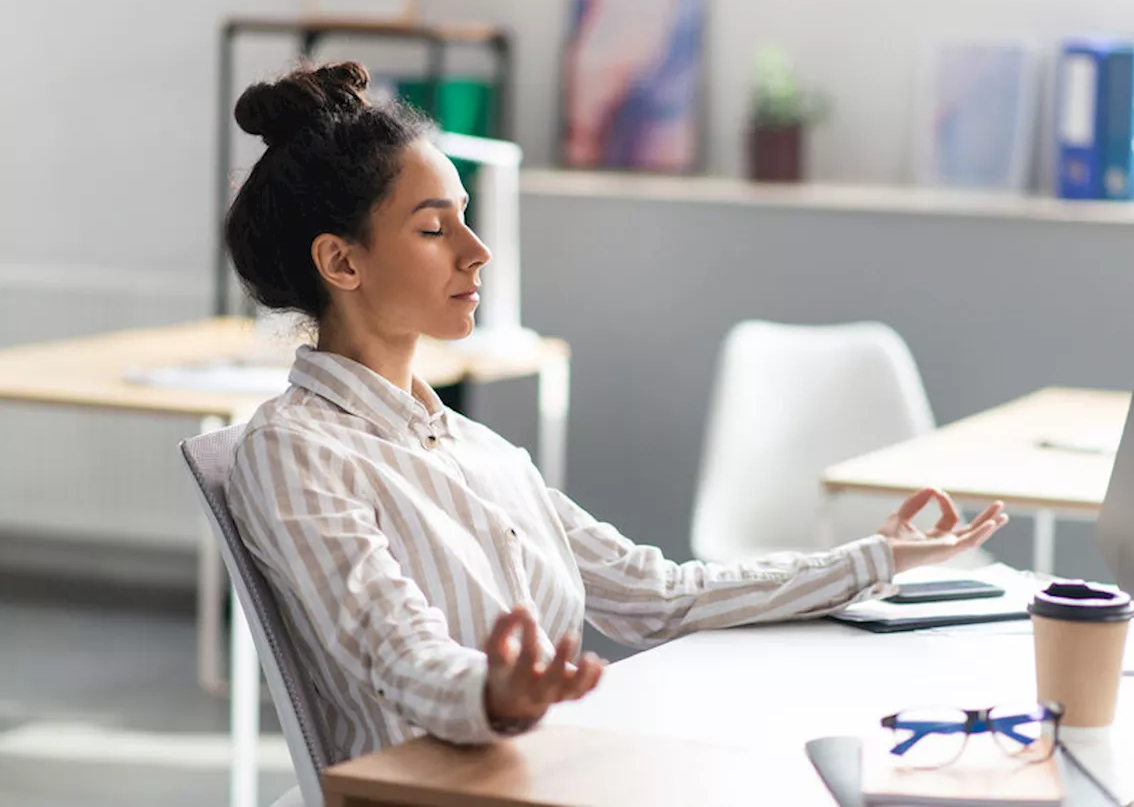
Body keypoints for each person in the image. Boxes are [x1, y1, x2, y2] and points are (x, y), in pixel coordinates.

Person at [223, 61, 1009, 762]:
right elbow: (393, 655)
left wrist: (878, 556)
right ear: (341, 260)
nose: (477, 249)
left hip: (544, 767)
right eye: (434, 227)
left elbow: (657, 593)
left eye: (466, 215)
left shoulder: (478, 450)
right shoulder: (296, 448)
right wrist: (495, 692)